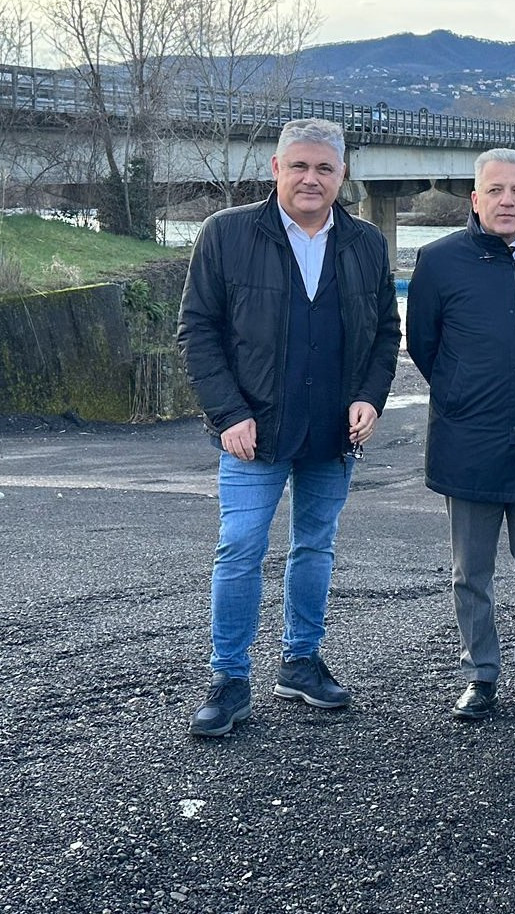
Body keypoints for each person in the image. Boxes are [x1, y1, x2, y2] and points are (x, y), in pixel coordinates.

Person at [177, 117, 401, 738]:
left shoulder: (365, 243)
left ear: (342, 176)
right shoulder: (225, 235)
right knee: (240, 549)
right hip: (253, 432)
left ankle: (301, 662)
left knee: (315, 547)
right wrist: (228, 414)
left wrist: (369, 398)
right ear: (275, 169)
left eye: (324, 168)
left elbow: (386, 333)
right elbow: (197, 331)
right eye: (298, 166)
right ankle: (229, 678)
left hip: (334, 433)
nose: (311, 178)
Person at [406, 148, 515, 722]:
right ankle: (480, 675)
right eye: (494, 190)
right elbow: (426, 348)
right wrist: (466, 394)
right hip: (470, 441)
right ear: (475, 200)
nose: (506, 201)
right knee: (470, 573)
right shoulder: (437, 261)